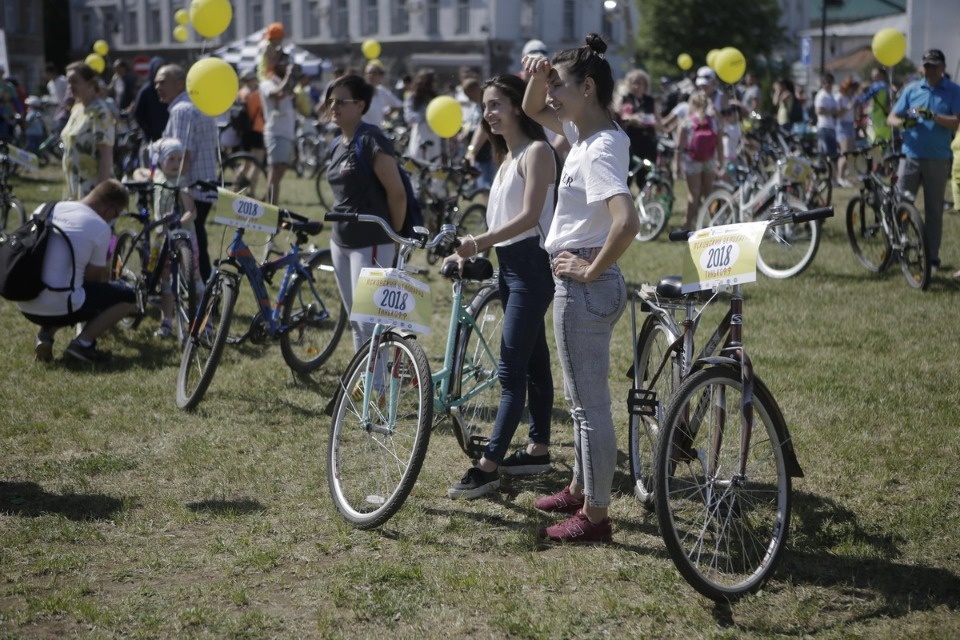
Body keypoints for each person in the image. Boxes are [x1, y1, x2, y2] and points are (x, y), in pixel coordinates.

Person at [521, 34, 640, 543]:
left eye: (560, 88)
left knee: (589, 408)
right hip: (587, 281)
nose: (551, 97)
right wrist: (538, 74)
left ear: (588, 88)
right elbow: (531, 108)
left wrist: (589, 271)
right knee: (581, 402)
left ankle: (594, 517)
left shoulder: (599, 149)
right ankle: (580, 485)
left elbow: (627, 221)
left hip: (586, 282)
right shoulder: (586, 132)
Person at [444, 74, 557, 499]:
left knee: (510, 371)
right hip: (510, 267)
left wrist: (477, 242)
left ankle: (488, 466)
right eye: (485, 107)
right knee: (533, 362)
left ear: (518, 106)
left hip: (531, 266)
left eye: (496, 105)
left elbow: (529, 217)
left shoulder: (538, 151)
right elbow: (502, 223)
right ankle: (538, 449)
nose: (488, 113)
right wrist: (468, 252)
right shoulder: (507, 157)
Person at [324, 74, 408, 352]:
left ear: (360, 105)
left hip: (372, 239)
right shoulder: (336, 143)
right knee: (356, 320)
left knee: (370, 321)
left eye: (340, 101)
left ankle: (379, 389)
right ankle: (367, 380)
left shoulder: (371, 138)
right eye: (330, 100)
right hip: (340, 240)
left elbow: (397, 193)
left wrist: (393, 236)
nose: (333, 106)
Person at [18, 179, 136, 363]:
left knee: (58, 281)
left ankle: (45, 334)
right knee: (127, 296)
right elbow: (92, 280)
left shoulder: (46, 208)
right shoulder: (100, 227)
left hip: (26, 301)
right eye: (116, 214)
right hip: (61, 305)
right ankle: (83, 344)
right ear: (109, 210)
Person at [887, 48, 960, 275]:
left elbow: (957, 123)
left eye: (934, 65)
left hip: (938, 159)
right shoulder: (912, 89)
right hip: (910, 156)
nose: (929, 70)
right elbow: (892, 117)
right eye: (926, 65)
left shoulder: (954, 91)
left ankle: (933, 257)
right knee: (900, 206)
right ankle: (898, 251)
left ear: (943, 68)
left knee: (934, 211)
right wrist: (903, 124)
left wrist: (934, 117)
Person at [154, 63, 219, 284]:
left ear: (179, 83)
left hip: (190, 187)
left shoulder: (182, 110)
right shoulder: (195, 105)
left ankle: (202, 292)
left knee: (192, 240)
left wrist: (174, 187)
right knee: (196, 239)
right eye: (156, 82)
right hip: (203, 184)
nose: (157, 87)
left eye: (162, 82)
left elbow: (183, 156)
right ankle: (199, 290)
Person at [149, 137, 202, 339]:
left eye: (180, 159)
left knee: (194, 277)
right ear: (160, 160)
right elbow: (142, 171)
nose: (176, 164)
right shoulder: (158, 178)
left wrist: (179, 221)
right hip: (162, 236)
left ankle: (202, 319)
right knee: (165, 280)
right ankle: (166, 321)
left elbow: (192, 212)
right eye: (171, 159)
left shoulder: (182, 183)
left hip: (184, 237)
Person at [61, 62, 116, 200]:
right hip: (75, 184)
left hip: (92, 188)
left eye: (74, 81)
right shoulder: (77, 109)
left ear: (90, 83)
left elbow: (106, 154)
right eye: (68, 82)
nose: (70, 86)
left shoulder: (100, 112)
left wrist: (100, 194)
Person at [675, 91, 721, 229]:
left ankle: (687, 225)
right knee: (710, 193)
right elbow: (719, 144)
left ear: (692, 105)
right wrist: (721, 162)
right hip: (710, 161)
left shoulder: (686, 123)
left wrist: (677, 166)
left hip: (692, 162)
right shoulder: (714, 122)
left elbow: (679, 147)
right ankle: (714, 223)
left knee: (693, 195)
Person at [259, 53, 297, 205]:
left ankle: (268, 201)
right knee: (274, 173)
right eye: (283, 63)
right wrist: (288, 75)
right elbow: (277, 94)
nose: (286, 66)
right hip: (275, 132)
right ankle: (271, 210)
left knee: (280, 171)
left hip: (287, 132)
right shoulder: (267, 83)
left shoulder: (283, 82)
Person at [618, 68, 658, 190]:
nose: (636, 86)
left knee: (645, 177)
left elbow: (658, 120)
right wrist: (633, 119)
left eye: (639, 83)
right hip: (630, 142)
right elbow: (621, 116)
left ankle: (645, 203)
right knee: (627, 175)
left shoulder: (650, 101)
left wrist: (651, 121)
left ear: (645, 85)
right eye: (634, 83)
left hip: (647, 142)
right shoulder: (625, 99)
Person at [235, 69, 266, 195]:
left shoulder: (240, 93)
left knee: (246, 163)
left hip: (245, 132)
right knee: (257, 163)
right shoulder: (256, 95)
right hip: (257, 130)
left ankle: (235, 189)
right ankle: (251, 191)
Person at [404, 69, 441, 162]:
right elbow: (408, 117)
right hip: (420, 134)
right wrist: (426, 114)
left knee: (434, 165)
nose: (435, 83)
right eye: (433, 81)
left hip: (434, 135)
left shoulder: (436, 98)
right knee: (418, 164)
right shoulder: (413, 97)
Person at [856, 67, 892, 145]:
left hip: (877, 119)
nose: (873, 77)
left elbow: (863, 99)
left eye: (876, 75)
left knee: (875, 144)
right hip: (886, 119)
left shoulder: (877, 86)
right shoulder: (889, 87)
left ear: (882, 75)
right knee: (886, 144)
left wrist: (856, 99)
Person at [815, 73, 840, 180]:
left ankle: (833, 177)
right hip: (824, 127)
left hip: (832, 127)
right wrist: (832, 112)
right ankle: (823, 177)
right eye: (825, 82)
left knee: (833, 155)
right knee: (825, 156)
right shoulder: (821, 95)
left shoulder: (831, 95)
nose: (827, 84)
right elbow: (819, 111)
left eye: (829, 82)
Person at [362, 60, 402, 127]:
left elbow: (398, 104)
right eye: (369, 73)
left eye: (374, 73)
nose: (371, 75)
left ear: (380, 75)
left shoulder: (381, 91)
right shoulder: (359, 91)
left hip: (376, 132)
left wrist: (385, 115)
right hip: (360, 132)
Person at [835, 76, 859, 187]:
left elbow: (855, 113)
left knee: (850, 153)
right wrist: (848, 107)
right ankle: (840, 177)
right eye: (851, 87)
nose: (853, 89)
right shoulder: (840, 97)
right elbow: (837, 114)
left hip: (850, 124)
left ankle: (846, 177)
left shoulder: (853, 97)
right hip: (842, 125)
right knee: (844, 153)